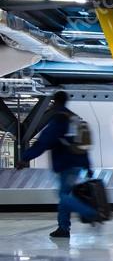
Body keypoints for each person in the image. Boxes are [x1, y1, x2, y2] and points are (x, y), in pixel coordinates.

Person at [16, 91, 104, 238]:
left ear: (55, 102)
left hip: (66, 165)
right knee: (65, 195)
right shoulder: (74, 119)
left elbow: (44, 142)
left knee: (63, 195)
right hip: (76, 164)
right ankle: (63, 228)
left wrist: (25, 158)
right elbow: (82, 146)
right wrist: (88, 167)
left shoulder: (60, 120)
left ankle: (91, 214)